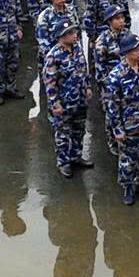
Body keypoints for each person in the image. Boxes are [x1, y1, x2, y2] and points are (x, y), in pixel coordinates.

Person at [102, 33, 139, 204]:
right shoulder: (116, 76)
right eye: (136, 49)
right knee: (128, 160)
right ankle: (128, 187)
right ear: (126, 52)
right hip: (129, 126)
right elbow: (111, 106)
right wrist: (117, 130)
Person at [42, 19, 90, 176]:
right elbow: (49, 83)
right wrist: (55, 104)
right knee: (63, 133)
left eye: (74, 32)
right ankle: (63, 162)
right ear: (61, 36)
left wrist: (88, 86)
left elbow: (84, 68)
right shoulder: (53, 56)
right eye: (69, 33)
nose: (74, 35)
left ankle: (76, 156)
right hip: (64, 103)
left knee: (79, 130)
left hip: (80, 100)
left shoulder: (77, 48)